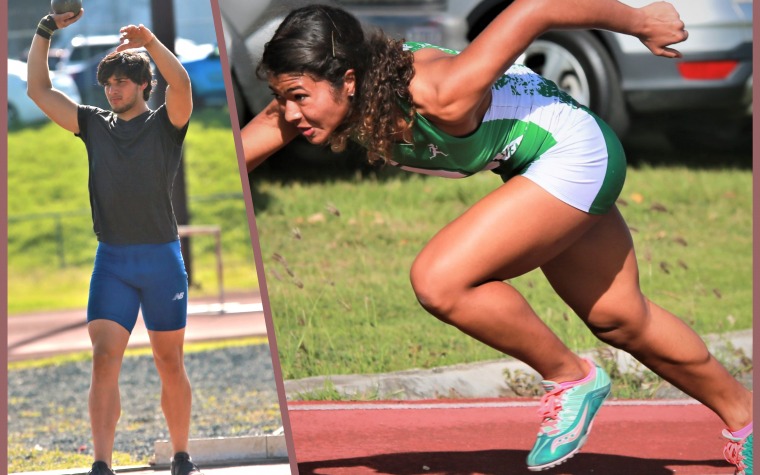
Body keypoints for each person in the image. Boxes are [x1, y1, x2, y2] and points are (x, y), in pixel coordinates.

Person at [240, 1, 753, 473]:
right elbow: (228, 161)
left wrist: (639, 20)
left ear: (348, 80)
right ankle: (748, 421)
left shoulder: (440, 90)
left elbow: (535, 8)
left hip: (573, 153)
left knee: (441, 279)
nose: (288, 115)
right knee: (620, 318)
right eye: (281, 99)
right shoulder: (318, 99)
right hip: (534, 164)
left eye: (298, 98)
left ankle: (571, 377)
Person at [27, 9, 204, 475]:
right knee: (104, 359)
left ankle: (182, 453)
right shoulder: (93, 126)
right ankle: (101, 463)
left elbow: (181, 85)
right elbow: (38, 91)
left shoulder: (166, 126)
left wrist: (149, 43)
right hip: (114, 262)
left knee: (169, 360)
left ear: (143, 86)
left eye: (123, 82)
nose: (113, 89)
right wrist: (45, 30)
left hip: (162, 259)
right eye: (109, 83)